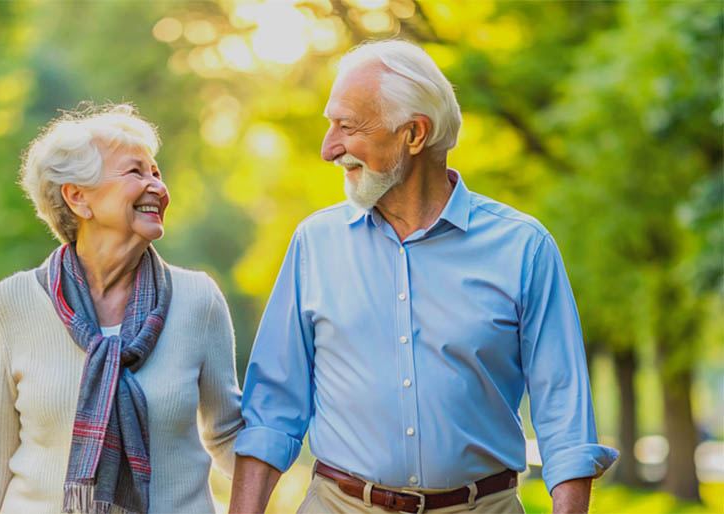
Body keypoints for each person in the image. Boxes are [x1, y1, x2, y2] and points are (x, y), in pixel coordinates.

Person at [229, 40, 618, 514]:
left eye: (347, 127)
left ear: (414, 134)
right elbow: (272, 410)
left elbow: (566, 419)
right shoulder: (315, 243)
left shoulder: (523, 247)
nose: (328, 148)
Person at [0, 104, 243, 514]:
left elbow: (229, 434)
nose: (157, 187)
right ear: (78, 197)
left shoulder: (198, 300)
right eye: (135, 173)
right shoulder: (14, 302)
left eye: (156, 173)